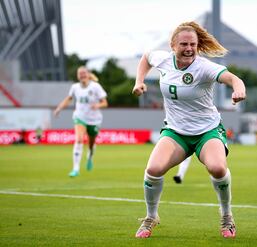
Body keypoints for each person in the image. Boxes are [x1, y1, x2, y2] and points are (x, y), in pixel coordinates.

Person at [132, 21, 246, 239]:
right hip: (176, 132)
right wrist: (139, 82)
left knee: (217, 168)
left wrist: (239, 89)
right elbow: (146, 58)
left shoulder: (204, 67)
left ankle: (226, 215)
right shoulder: (162, 59)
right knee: (153, 170)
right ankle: (151, 217)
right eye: (184, 44)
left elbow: (233, 78)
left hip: (207, 131)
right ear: (173, 45)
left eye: (193, 44)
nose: (189, 48)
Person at [54, 66, 108, 177]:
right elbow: (68, 99)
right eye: (80, 73)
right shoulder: (75, 87)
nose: (82, 75)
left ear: (88, 74)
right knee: (78, 140)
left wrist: (97, 105)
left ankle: (90, 156)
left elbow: (105, 103)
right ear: (77, 76)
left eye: (84, 73)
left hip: (94, 119)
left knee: (91, 143)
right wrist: (59, 108)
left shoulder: (95, 87)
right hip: (80, 117)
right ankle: (76, 169)